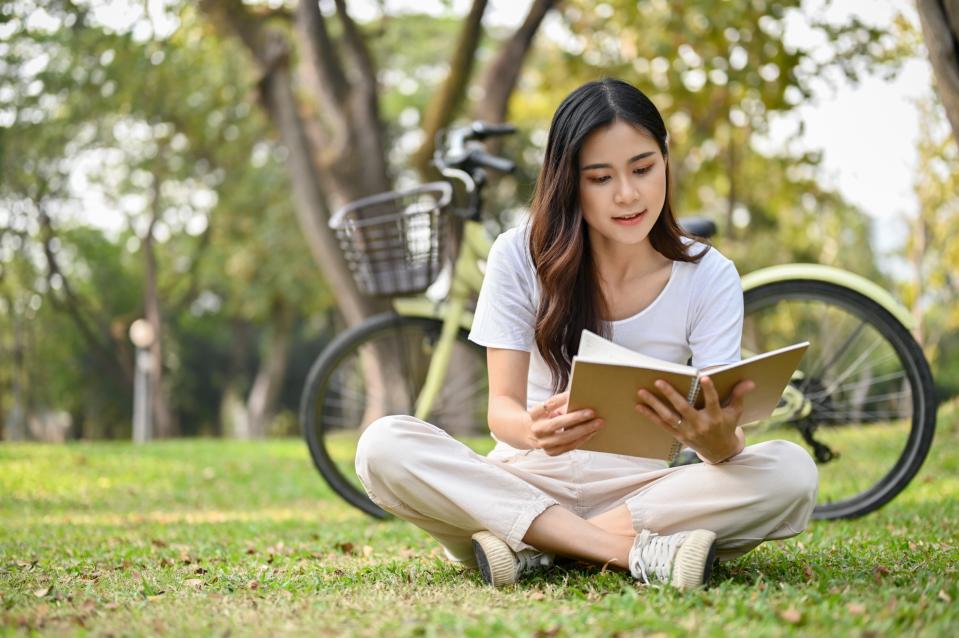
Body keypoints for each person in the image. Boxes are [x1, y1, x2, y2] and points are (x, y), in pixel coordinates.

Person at [355, 78, 818, 590]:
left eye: (643, 169)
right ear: (569, 182)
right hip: (526, 476)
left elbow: (722, 430)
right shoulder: (518, 256)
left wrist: (718, 443)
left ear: (665, 160)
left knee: (792, 472)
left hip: (644, 489)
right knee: (383, 444)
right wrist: (532, 432)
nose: (628, 194)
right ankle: (622, 551)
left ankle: (535, 546)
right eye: (600, 178)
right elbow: (501, 409)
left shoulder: (708, 274)